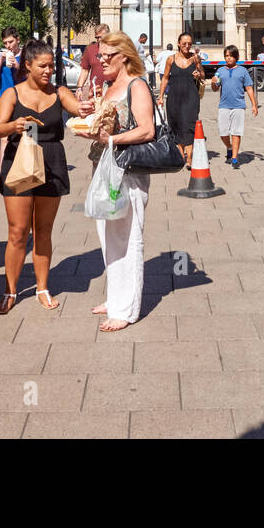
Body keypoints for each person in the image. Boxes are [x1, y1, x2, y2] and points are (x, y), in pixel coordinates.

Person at [0, 40, 84, 315]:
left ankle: (42, 287)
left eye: (51, 65)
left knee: (43, 230)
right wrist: (13, 125)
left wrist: (89, 107)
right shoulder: (12, 94)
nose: (48, 70)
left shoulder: (60, 92)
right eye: (42, 66)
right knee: (18, 232)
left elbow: (80, 110)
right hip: (20, 159)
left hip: (52, 160)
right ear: (28, 65)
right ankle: (10, 290)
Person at [72, 31, 154, 332]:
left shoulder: (137, 85)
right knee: (108, 235)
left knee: (127, 238)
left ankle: (125, 309)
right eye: (99, 54)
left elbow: (147, 130)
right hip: (104, 168)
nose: (100, 59)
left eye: (107, 55)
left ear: (125, 56)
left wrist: (111, 139)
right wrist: (90, 117)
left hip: (127, 171)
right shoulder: (109, 85)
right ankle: (115, 295)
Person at [157, 32, 203, 169]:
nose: (187, 46)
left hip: (191, 98)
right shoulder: (171, 59)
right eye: (184, 43)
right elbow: (165, 78)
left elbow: (203, 75)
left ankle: (189, 159)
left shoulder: (195, 59)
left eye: (189, 43)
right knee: (175, 125)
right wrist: (160, 96)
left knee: (189, 126)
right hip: (174, 97)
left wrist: (198, 73)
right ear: (178, 43)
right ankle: (180, 155)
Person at [211, 44, 258, 167]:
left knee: (236, 132)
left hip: (238, 106)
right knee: (223, 132)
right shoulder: (220, 71)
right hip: (224, 106)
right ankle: (229, 147)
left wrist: (254, 105)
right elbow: (215, 89)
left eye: (231, 56)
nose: (228, 58)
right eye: (226, 56)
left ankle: (235, 158)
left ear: (236, 57)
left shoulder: (242, 71)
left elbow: (249, 88)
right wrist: (213, 83)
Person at [0, 27, 22, 101]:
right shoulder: (3, 59)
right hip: (4, 99)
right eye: (5, 43)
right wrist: (0, 60)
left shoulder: (25, 56)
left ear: (18, 40)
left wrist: (17, 66)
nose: (8, 46)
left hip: (21, 99)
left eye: (10, 42)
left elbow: (32, 77)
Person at [77, 23, 111, 95]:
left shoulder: (115, 49)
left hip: (111, 91)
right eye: (97, 37)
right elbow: (84, 70)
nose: (98, 40)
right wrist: (79, 88)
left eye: (101, 37)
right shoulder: (90, 49)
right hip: (95, 92)